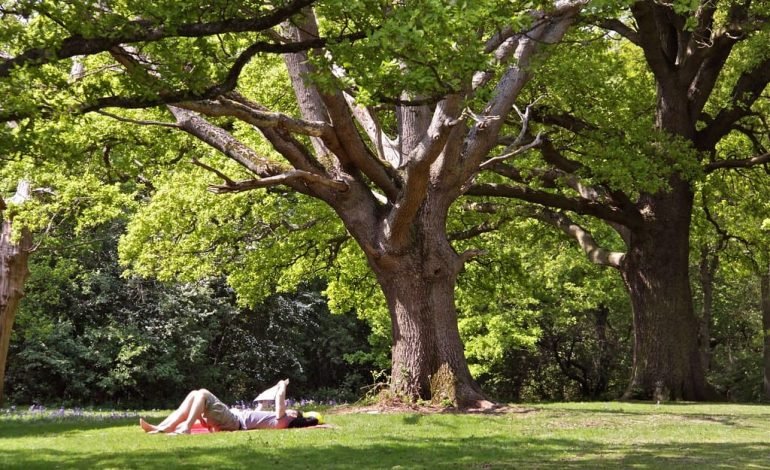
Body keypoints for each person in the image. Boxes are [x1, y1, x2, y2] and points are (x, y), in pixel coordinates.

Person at [139, 379, 318, 434]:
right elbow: (255, 417)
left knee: (202, 392)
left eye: (293, 411)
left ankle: (184, 428)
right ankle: (163, 427)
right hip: (232, 418)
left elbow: (280, 402)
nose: (289, 410)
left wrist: (282, 386)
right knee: (195, 393)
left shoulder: (283, 421)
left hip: (232, 421)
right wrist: (262, 405)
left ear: (294, 418)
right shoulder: (275, 420)